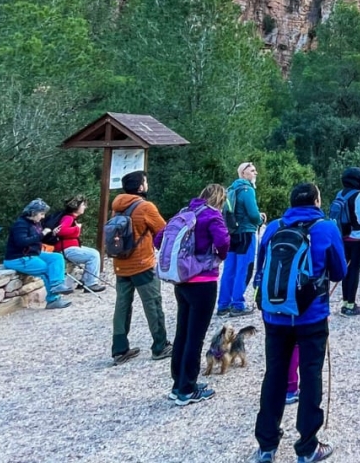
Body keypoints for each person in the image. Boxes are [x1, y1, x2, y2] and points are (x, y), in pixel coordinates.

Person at [252, 182, 347, 463]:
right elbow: (340, 271)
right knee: (311, 375)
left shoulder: (273, 228)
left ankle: (266, 445)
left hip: (274, 315)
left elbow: (260, 270)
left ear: (292, 202)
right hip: (311, 315)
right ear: (317, 201)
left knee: (275, 375)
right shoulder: (326, 228)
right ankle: (307, 447)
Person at [158, 183, 230, 406]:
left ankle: (178, 384)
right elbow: (223, 242)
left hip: (181, 281)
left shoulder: (184, 213)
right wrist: (218, 256)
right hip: (203, 281)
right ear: (220, 199)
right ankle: (187, 389)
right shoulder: (213, 216)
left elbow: (158, 239)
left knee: (182, 333)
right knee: (195, 337)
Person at [111, 170, 170, 365]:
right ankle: (160, 346)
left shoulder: (117, 206)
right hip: (142, 264)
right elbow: (163, 230)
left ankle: (119, 349)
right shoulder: (145, 207)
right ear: (140, 187)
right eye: (145, 181)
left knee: (122, 305)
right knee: (152, 304)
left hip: (120, 264)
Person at [3, 200, 72, 309]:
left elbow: (39, 239)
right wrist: (42, 234)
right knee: (46, 269)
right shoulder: (20, 224)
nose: (43, 217)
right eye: (41, 214)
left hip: (33, 254)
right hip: (18, 258)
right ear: (33, 213)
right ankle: (53, 300)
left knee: (57, 257)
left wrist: (52, 234)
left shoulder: (36, 223)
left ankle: (57, 285)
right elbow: (21, 242)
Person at [219, 162, 263, 317]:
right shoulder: (247, 189)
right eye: (252, 170)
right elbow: (253, 214)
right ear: (244, 174)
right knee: (244, 269)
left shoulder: (231, 189)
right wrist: (261, 219)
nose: (255, 173)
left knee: (229, 269)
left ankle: (223, 305)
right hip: (246, 233)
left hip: (231, 234)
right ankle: (238, 304)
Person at [333, 167, 360, 317]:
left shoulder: (340, 193)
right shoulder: (358, 195)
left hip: (342, 236)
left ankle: (345, 302)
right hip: (358, 237)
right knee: (354, 270)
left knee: (345, 269)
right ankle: (351, 305)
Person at [53, 195, 104, 293]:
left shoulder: (71, 218)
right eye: (83, 205)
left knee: (94, 252)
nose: (85, 207)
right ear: (76, 207)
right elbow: (60, 231)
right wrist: (77, 228)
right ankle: (90, 284)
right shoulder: (68, 218)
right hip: (67, 249)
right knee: (93, 255)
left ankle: (85, 281)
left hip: (70, 247)